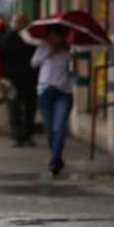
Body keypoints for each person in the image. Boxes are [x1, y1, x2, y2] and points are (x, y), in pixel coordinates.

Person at [31, 25, 73, 176]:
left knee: (58, 127)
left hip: (63, 92)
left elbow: (75, 67)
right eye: (51, 35)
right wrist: (48, 53)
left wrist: (68, 51)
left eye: (57, 36)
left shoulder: (68, 49)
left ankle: (54, 160)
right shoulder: (43, 47)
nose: (54, 39)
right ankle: (57, 156)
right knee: (50, 129)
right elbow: (34, 63)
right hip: (45, 92)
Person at [0, 14, 38, 147]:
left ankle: (27, 136)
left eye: (19, 22)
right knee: (14, 109)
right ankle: (17, 136)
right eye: (15, 22)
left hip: (30, 79)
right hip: (14, 80)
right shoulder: (8, 37)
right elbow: (2, 56)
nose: (16, 24)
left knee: (29, 109)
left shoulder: (31, 38)